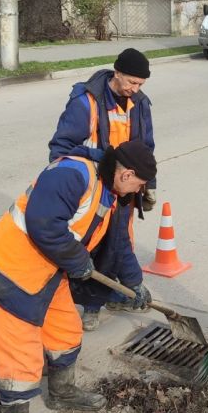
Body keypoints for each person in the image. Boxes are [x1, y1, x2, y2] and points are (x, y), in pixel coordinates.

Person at [0, 140, 157, 413]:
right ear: (126, 174)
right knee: (21, 355)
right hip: (12, 272)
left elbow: (119, 242)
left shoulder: (108, 192)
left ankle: (61, 391)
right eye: (139, 186)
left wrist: (134, 283)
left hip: (48, 271)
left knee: (66, 330)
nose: (137, 193)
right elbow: (43, 223)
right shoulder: (74, 174)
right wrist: (76, 258)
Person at [48, 48, 156, 330]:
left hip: (125, 188)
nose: (135, 89)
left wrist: (147, 185)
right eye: (131, 82)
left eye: (141, 84)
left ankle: (96, 303)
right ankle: (76, 303)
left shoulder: (140, 104)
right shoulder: (86, 102)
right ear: (116, 73)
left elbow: (147, 148)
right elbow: (60, 150)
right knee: (90, 245)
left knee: (117, 244)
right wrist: (104, 161)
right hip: (93, 187)